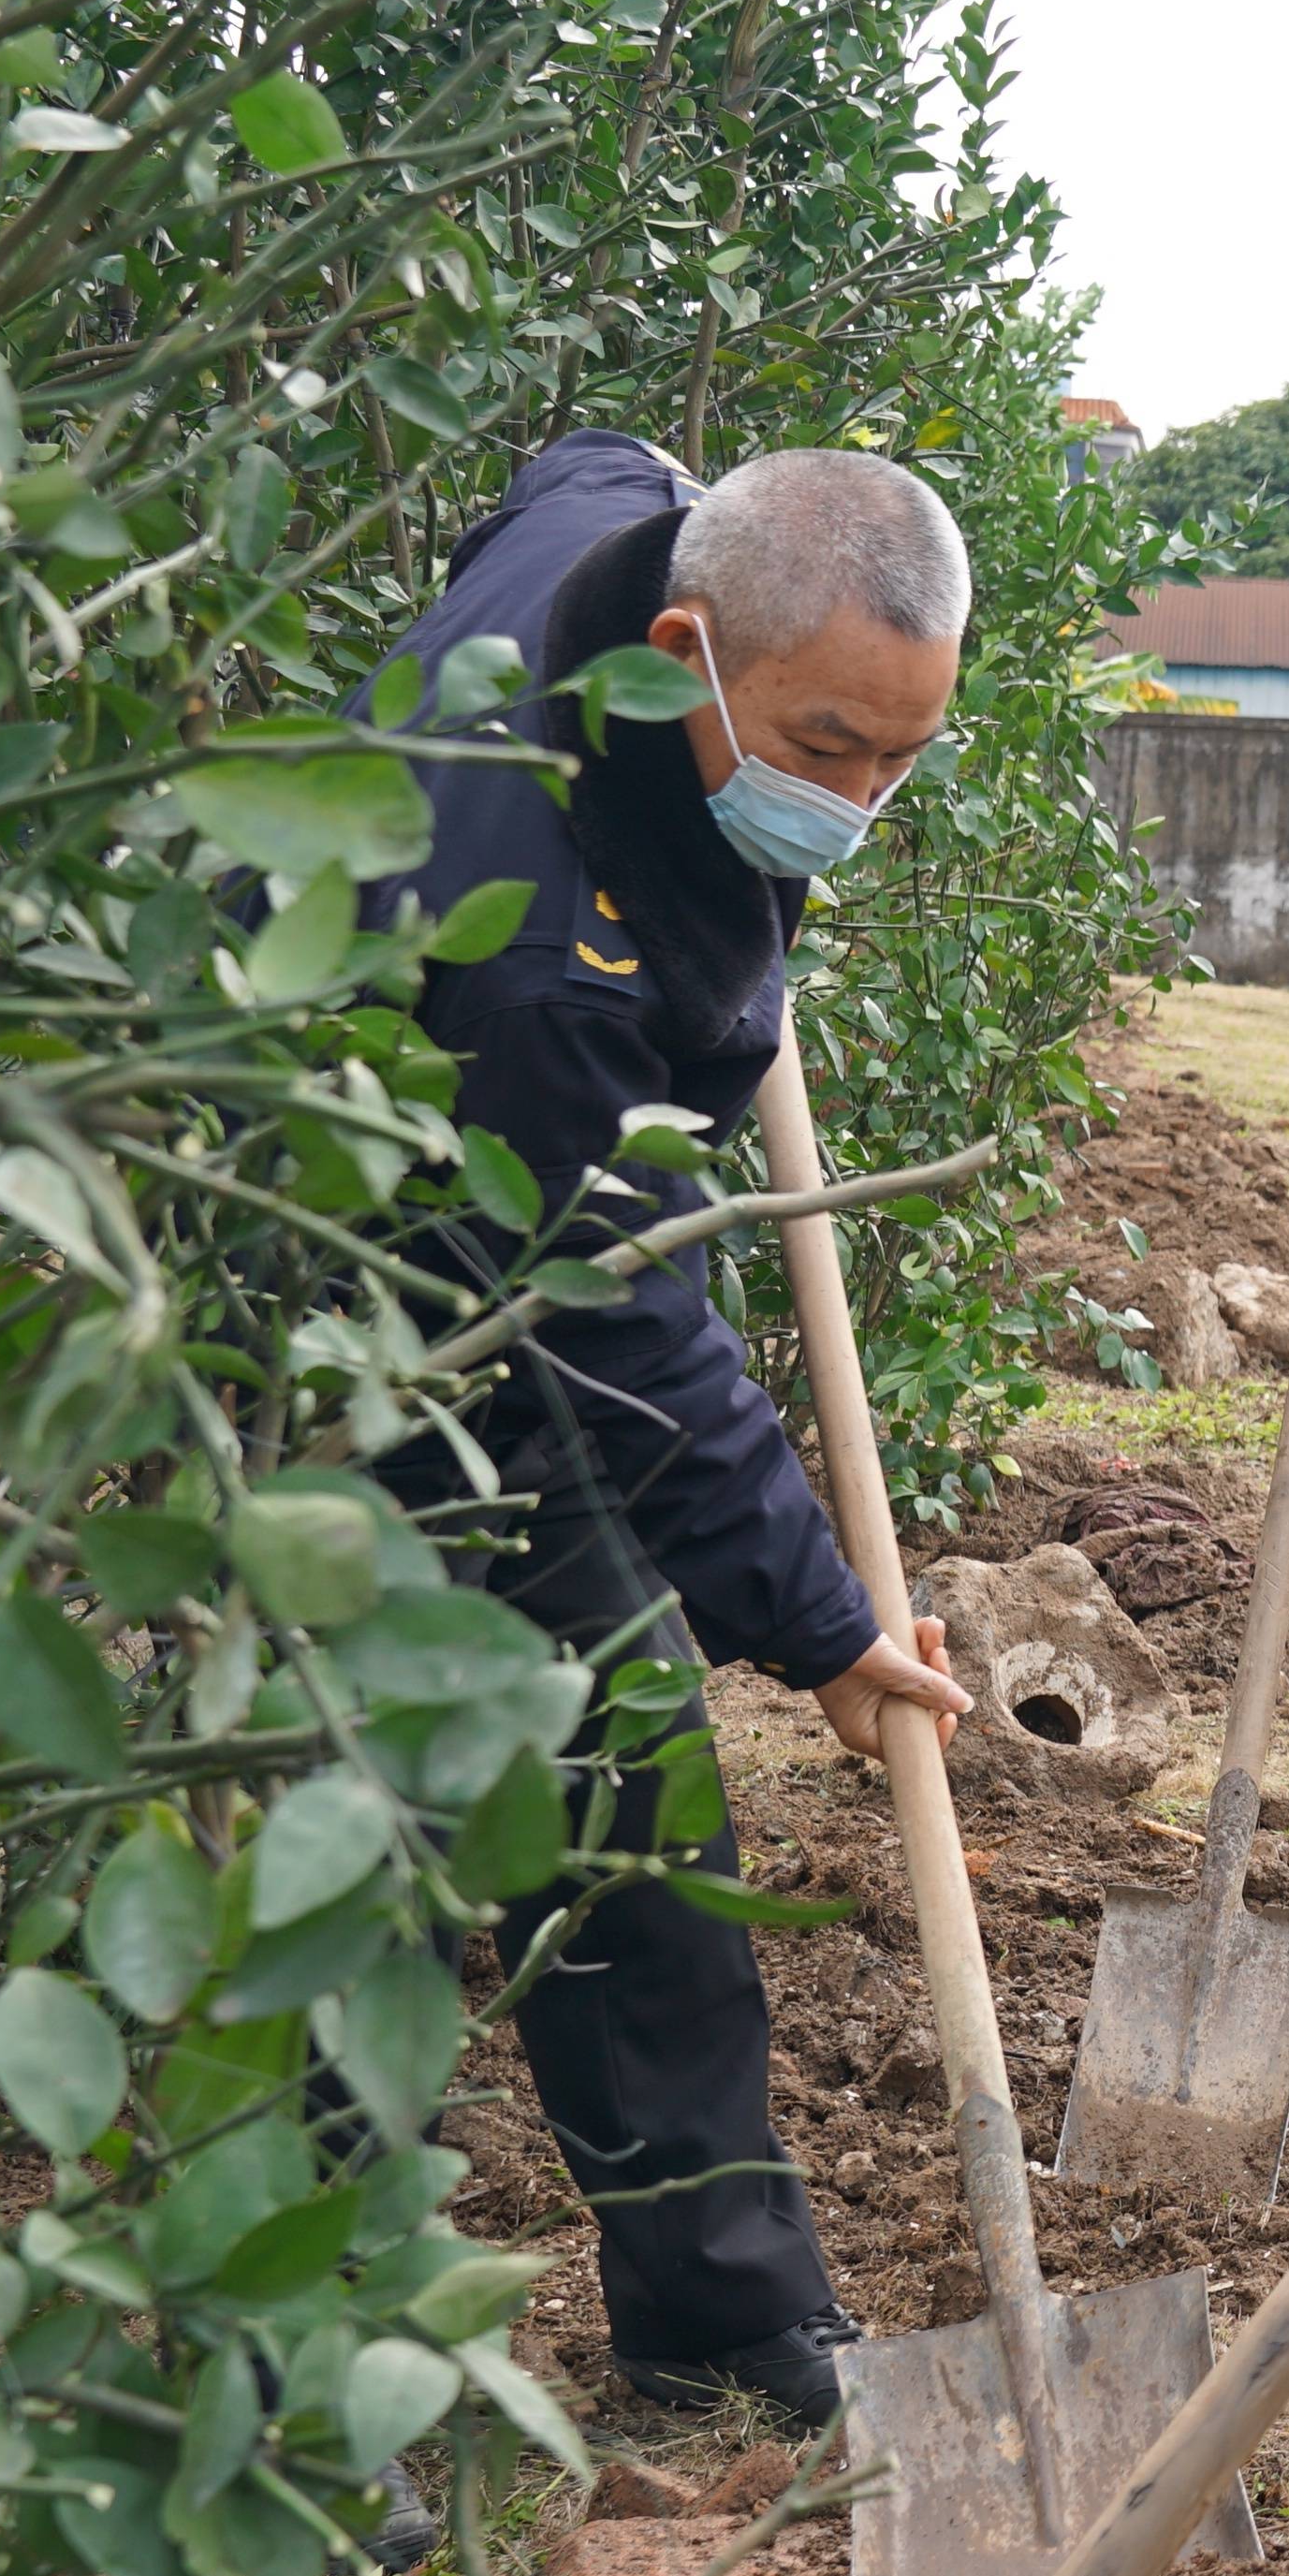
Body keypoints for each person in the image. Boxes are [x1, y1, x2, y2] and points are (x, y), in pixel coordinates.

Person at [355, 430, 979, 2429]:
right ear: (683, 650)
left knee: (633, 1812)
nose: (858, 800)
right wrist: (817, 1623)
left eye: (899, 756)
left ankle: (717, 2322)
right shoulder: (525, 922)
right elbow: (623, 1325)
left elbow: (575, 465)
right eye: (823, 744)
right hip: (339, 1307)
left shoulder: (616, 537)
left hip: (532, 1235)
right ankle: (303, 2384)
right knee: (336, 1862)